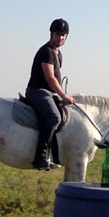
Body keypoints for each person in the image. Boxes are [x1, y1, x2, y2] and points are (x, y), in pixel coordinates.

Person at [25, 18, 74, 171]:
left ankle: (55, 155)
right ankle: (40, 158)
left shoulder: (58, 54)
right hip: (37, 91)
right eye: (58, 34)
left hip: (50, 93)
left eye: (64, 35)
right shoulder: (46, 51)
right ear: (52, 34)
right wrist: (64, 95)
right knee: (54, 117)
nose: (61, 37)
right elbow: (50, 78)